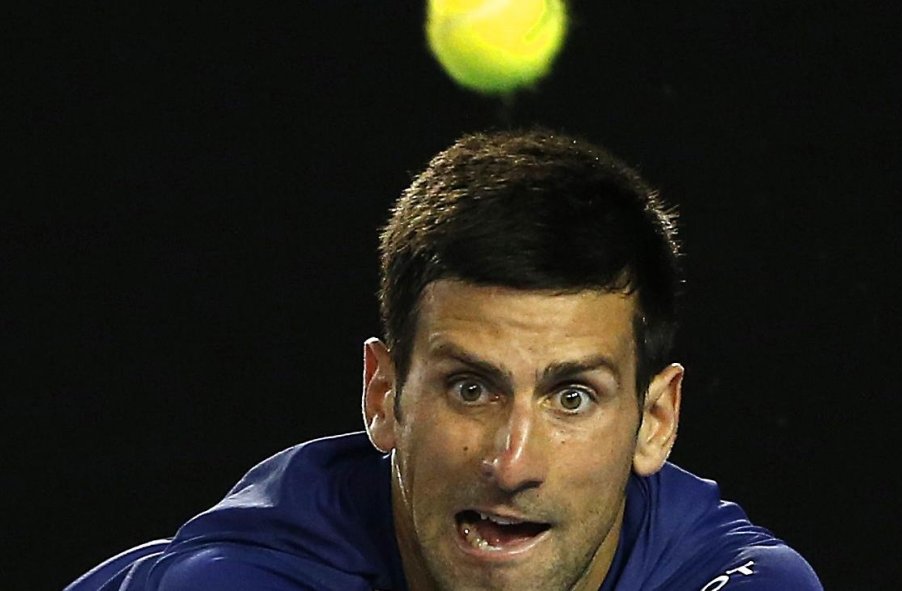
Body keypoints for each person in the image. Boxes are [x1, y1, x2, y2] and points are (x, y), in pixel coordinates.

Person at [67, 130, 822, 591]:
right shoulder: (250, 576)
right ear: (384, 395)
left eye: (572, 397)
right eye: (471, 387)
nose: (512, 461)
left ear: (655, 420)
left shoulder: (738, 581)